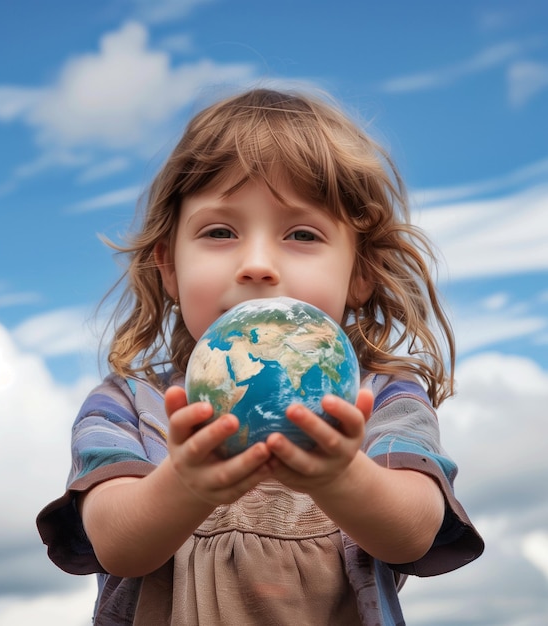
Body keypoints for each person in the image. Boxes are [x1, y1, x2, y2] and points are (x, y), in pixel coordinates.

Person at [37, 87, 484, 625]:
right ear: (169, 266)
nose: (257, 265)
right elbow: (117, 544)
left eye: (301, 233)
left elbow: (413, 531)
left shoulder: (381, 399)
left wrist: (340, 477)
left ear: (361, 271)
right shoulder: (129, 406)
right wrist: (186, 482)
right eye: (220, 231)